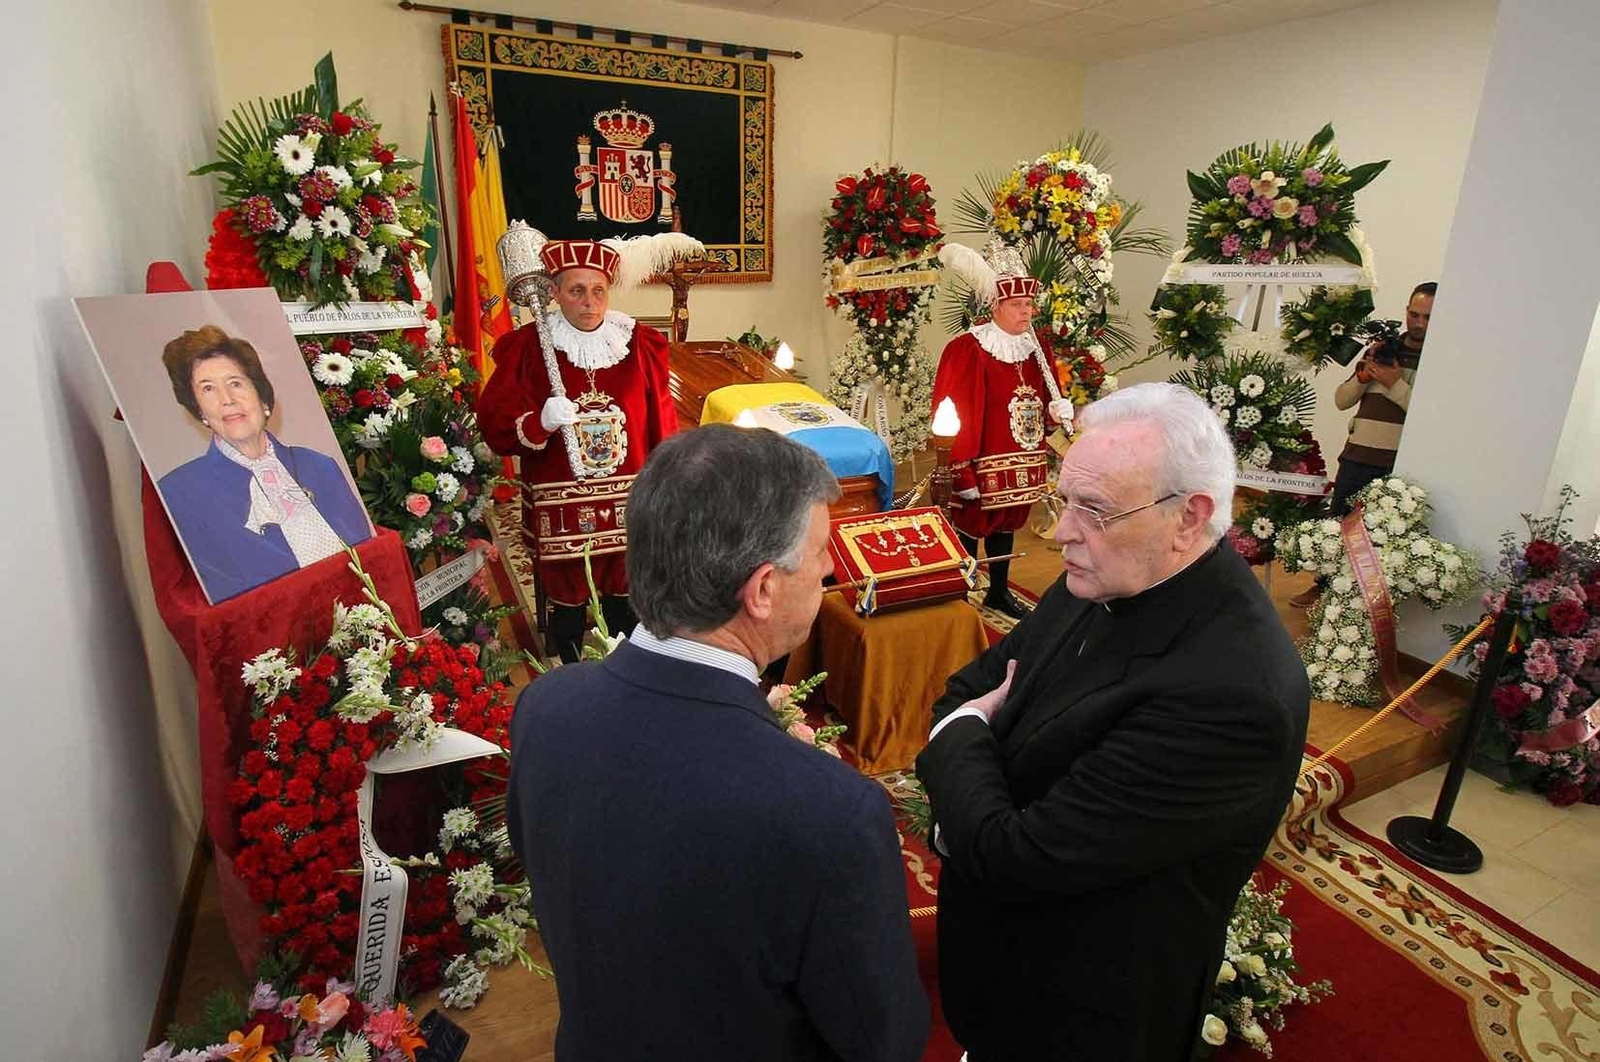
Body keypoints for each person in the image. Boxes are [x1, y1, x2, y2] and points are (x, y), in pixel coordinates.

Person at [506, 424, 929, 1061]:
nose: (828, 571)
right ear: (761, 591)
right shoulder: (832, 811)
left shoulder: (546, 705)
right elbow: (883, 1041)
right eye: (819, 556)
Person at [915, 382, 1310, 1062]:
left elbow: (1016, 855)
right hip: (1000, 979)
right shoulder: (1101, 575)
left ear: (1190, 517)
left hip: (1085, 1013)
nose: (1061, 531)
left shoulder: (1232, 696)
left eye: (1092, 510)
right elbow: (964, 690)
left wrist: (963, 738)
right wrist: (971, 735)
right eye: (1063, 500)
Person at [477, 234, 688, 662]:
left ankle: (627, 667)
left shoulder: (638, 344)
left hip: (627, 496)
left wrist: (668, 482)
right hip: (561, 501)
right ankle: (570, 672)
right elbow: (494, 425)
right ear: (554, 293)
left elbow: (661, 418)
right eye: (576, 291)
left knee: (625, 591)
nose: (590, 303)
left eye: (598, 291)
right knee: (568, 596)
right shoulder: (528, 348)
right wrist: (540, 422)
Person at [157, 325, 371, 603]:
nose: (227, 400)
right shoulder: (180, 493)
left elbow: (368, 556)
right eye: (208, 388)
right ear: (199, 409)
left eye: (235, 383)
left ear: (260, 394)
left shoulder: (320, 466)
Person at [933, 242, 1073, 618]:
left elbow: (1040, 397)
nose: (1026, 312)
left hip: (1022, 456)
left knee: (1008, 522)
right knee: (971, 521)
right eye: (1017, 305)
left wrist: (1055, 411)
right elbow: (955, 409)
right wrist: (961, 469)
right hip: (982, 458)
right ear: (995, 306)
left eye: (1029, 305)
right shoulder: (969, 348)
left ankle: (996, 590)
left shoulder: (1036, 345)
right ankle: (960, 591)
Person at [1291, 280, 1434, 606]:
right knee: (1337, 525)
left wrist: (1394, 384)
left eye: (1427, 317)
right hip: (1357, 454)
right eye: (1414, 314)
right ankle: (1323, 589)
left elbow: (1428, 417)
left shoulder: (1439, 362)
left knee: (1378, 537)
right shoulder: (1384, 350)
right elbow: (1342, 400)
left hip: (1397, 464)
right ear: (1406, 312)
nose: (1419, 323)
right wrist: (1363, 376)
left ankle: (1359, 600)